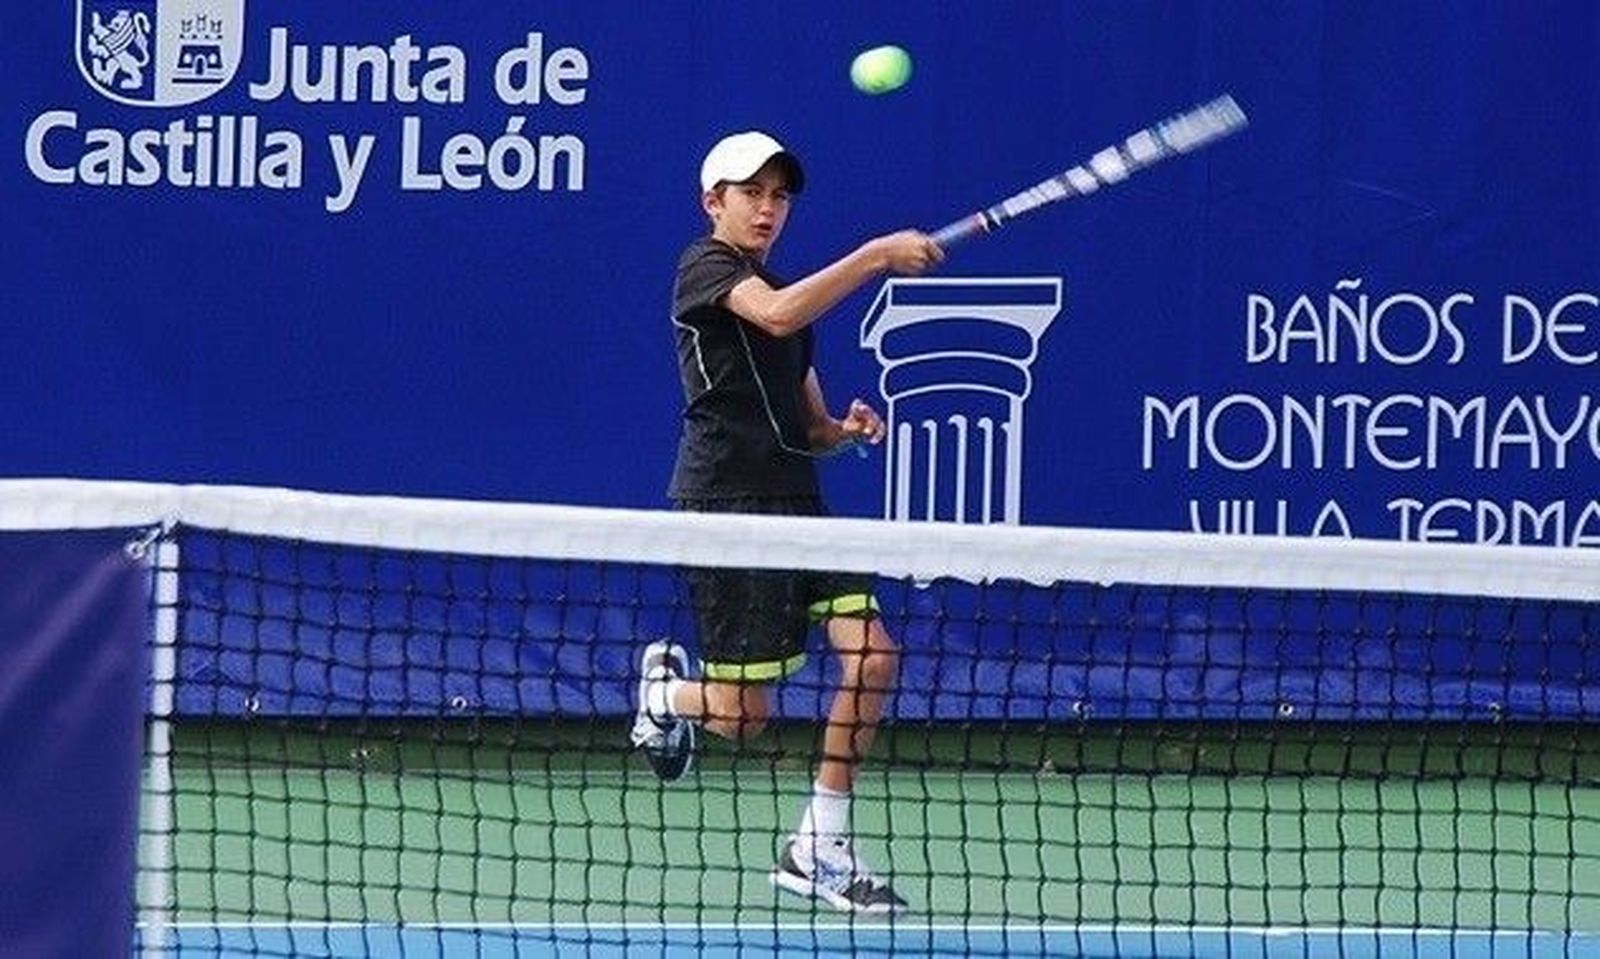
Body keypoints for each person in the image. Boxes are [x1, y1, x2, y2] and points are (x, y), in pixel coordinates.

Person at [630, 130, 942, 914]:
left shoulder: (791, 304)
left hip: (798, 503)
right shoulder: (705, 268)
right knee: (743, 717)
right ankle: (666, 699)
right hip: (726, 506)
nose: (768, 209)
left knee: (872, 658)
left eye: (779, 196)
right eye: (751, 194)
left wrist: (842, 428)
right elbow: (769, 315)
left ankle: (820, 843)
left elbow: (807, 425)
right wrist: (874, 256)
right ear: (714, 204)